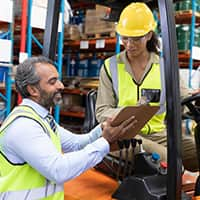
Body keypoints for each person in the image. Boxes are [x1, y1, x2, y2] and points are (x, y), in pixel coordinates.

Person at [0, 56, 137, 199]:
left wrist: (103, 128)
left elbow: (75, 144)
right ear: (33, 90)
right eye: (52, 82)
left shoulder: (40, 118)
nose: (61, 86)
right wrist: (105, 141)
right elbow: (58, 170)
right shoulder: (25, 126)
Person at [96, 2, 199, 172]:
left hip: (161, 134)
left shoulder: (165, 66)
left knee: (197, 151)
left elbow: (184, 98)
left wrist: (195, 101)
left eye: (136, 39)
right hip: (125, 135)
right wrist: (128, 112)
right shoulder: (110, 66)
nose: (129, 44)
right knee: (171, 162)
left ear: (149, 35)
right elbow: (101, 111)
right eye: (125, 38)